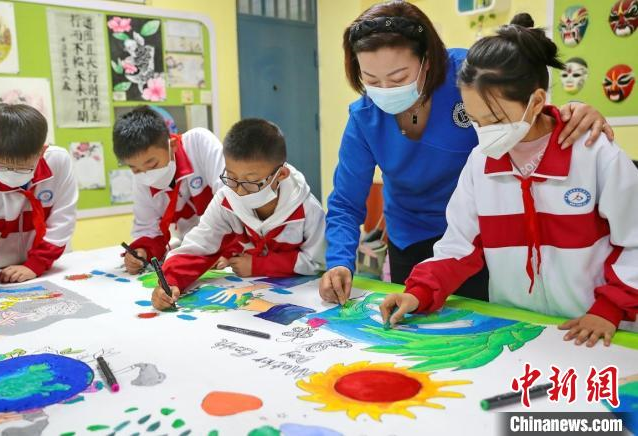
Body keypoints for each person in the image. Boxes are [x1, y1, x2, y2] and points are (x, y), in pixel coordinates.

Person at [319, 0, 614, 306]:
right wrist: (340, 261)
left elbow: (522, 108)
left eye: (397, 78)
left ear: (428, 61)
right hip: (415, 237)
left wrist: (570, 113)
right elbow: (345, 202)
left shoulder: (468, 75)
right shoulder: (365, 117)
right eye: (371, 80)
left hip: (489, 232)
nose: (386, 90)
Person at [380, 14, 638, 347]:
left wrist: (609, 308)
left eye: (496, 119)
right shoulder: (480, 164)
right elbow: (460, 245)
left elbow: (634, 242)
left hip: (595, 329)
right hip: (520, 331)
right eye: (475, 120)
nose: (486, 132)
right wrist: (419, 292)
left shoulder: (595, 154)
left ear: (537, 102)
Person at [151, 119, 325, 310]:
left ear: (281, 175)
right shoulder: (225, 199)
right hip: (248, 301)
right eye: (232, 178)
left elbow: (317, 261)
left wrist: (258, 265)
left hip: (299, 302)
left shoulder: (307, 209)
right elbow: (199, 245)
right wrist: (169, 281)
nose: (240, 192)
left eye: (251, 182)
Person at [0, 104, 77, 299]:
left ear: (41, 151)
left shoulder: (59, 162)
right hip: (2, 272)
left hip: (50, 264)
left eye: (21, 167)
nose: (10, 174)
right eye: (0, 165)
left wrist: (35, 265)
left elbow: (63, 220)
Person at [112, 106, 224, 274]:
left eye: (152, 164)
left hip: (227, 248)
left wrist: (220, 248)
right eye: (135, 168)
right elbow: (148, 228)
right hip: (194, 252)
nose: (146, 174)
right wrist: (142, 252)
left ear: (172, 145)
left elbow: (228, 198)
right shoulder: (141, 180)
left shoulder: (199, 143)